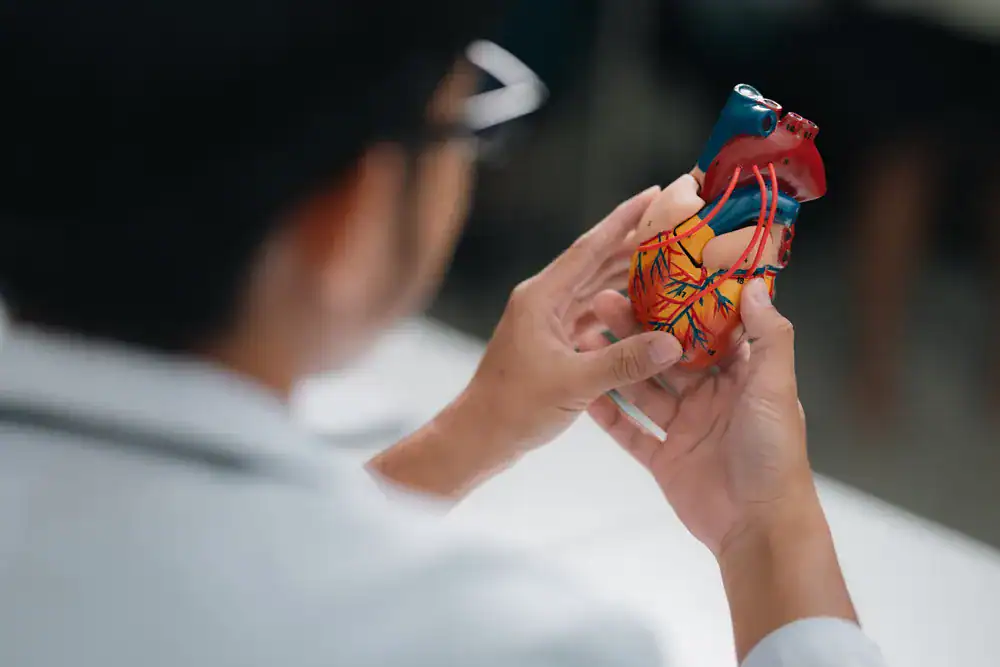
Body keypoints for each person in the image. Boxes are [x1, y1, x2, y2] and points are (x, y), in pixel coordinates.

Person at [0, 1, 884, 666]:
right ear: (348, 213)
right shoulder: (510, 642)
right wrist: (767, 533)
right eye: (469, 114)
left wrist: (465, 438)